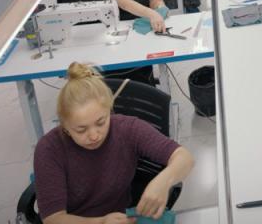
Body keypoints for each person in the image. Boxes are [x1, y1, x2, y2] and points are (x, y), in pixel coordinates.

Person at [33, 62, 194, 223]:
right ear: (65, 127)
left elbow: (184, 157)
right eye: (81, 130)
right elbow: (53, 219)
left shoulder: (127, 129)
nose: (94, 135)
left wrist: (164, 181)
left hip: (122, 216)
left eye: (101, 122)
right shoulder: (49, 149)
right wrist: (100, 222)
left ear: (109, 110)